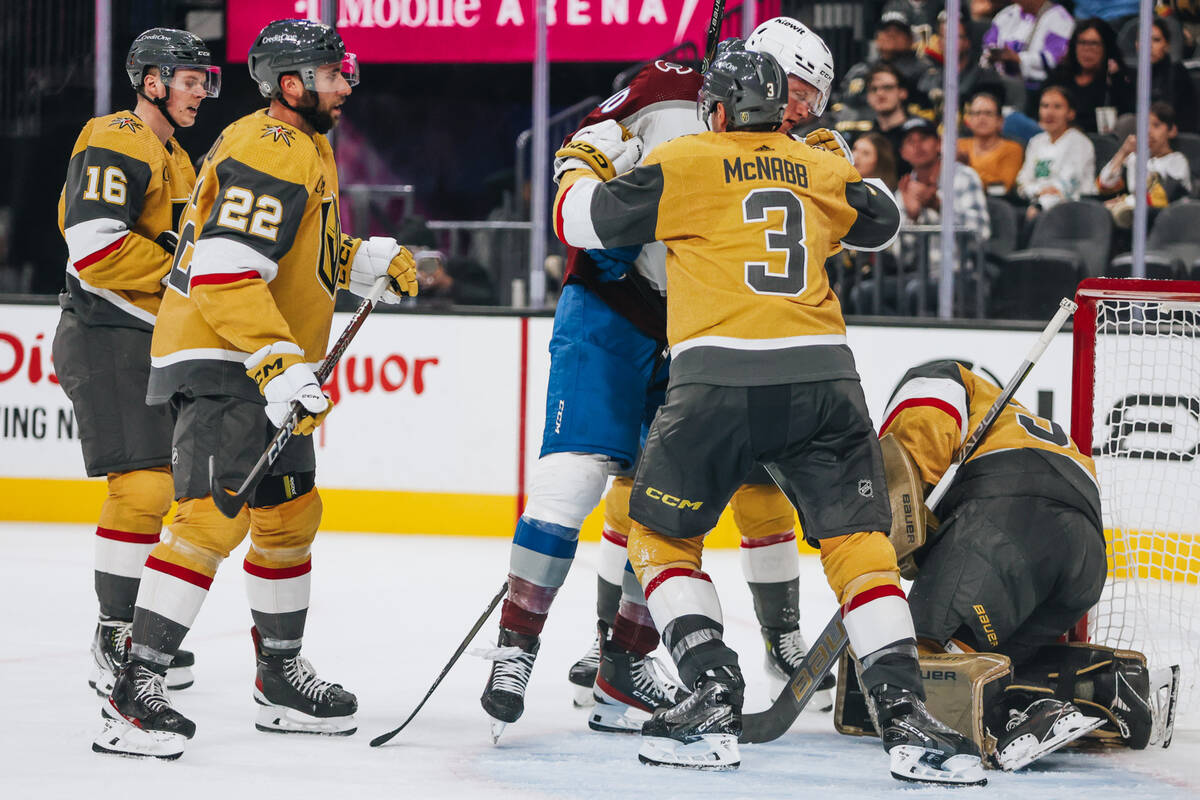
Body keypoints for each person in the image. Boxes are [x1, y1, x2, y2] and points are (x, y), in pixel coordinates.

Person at [552, 44, 986, 785]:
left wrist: (581, 156)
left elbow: (579, 224)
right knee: (858, 546)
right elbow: (881, 221)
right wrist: (833, 155)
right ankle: (908, 719)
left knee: (658, 535)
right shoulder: (816, 166)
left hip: (715, 381)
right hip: (824, 379)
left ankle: (713, 691)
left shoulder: (687, 158)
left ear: (716, 111)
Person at [479, 16, 842, 742]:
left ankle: (626, 660)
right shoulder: (668, 89)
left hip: (704, 332)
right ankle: (515, 651)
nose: (802, 110)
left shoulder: (799, 149)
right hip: (615, 306)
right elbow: (582, 171)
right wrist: (589, 153)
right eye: (797, 90)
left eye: (814, 101)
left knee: (674, 504)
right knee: (575, 478)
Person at [92, 18, 418, 760]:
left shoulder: (305, 147)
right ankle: (134, 692)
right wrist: (276, 361)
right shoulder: (271, 145)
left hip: (259, 360)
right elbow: (222, 266)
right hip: (227, 357)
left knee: (290, 516)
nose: (345, 84)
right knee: (209, 518)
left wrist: (363, 261)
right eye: (332, 73)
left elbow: (293, 252)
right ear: (291, 83)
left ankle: (279, 678)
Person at [866, 359, 1168, 767]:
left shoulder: (941, 376)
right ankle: (1101, 685)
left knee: (922, 665)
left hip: (1005, 523)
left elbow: (911, 462)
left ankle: (1010, 723)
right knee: (992, 662)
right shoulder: (1010, 417)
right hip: (1083, 558)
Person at [53, 28, 220, 700]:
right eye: (189, 79)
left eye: (206, 80)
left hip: (145, 337)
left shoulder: (175, 155)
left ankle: (129, 626)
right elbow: (95, 249)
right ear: (150, 80)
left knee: (168, 493)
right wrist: (193, 284)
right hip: (104, 332)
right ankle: (115, 631)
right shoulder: (115, 136)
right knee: (143, 488)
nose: (201, 92)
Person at [1098, 102, 1192, 228]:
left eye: (1156, 125)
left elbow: (1159, 199)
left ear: (1172, 131)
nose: (1148, 131)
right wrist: (1123, 152)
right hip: (1134, 221)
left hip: (1167, 223)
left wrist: (1124, 201)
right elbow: (1105, 183)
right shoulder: (1134, 158)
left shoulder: (1177, 162)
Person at [1017, 85, 1096, 223]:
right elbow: (1023, 182)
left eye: (1057, 107)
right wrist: (1038, 192)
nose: (1049, 113)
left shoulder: (1079, 142)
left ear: (1071, 113)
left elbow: (1065, 187)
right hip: (1037, 204)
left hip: (1073, 211)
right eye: (1045, 106)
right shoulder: (1036, 141)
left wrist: (1038, 198)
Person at [1042, 19, 1134, 135]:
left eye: (1094, 43)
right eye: (1082, 42)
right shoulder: (1059, 77)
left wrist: (1116, 79)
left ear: (1106, 47)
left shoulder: (1116, 81)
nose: (1087, 50)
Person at [982, 0, 1076, 107]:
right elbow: (988, 46)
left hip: (1038, 90)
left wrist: (1018, 59)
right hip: (999, 85)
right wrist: (994, 56)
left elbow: (1054, 60)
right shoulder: (1006, 15)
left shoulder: (1060, 19)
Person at [958, 89, 1026, 195]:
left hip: (996, 206)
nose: (982, 118)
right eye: (977, 113)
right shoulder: (959, 145)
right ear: (969, 120)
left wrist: (967, 168)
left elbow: (1002, 188)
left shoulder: (1012, 149)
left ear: (1000, 121)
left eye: (988, 113)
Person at [1150, 17, 1198, 134]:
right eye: (1142, 39)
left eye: (1156, 40)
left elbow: (1167, 114)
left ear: (1167, 45)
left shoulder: (1176, 72)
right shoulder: (1131, 74)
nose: (1149, 45)